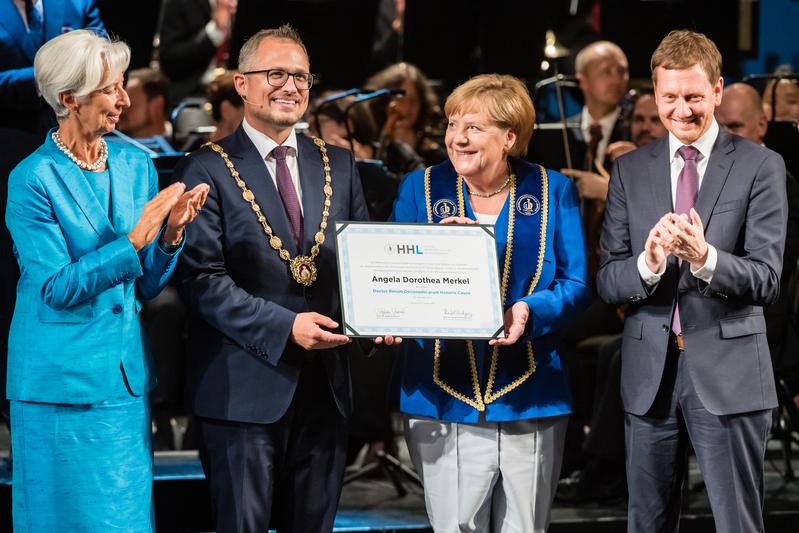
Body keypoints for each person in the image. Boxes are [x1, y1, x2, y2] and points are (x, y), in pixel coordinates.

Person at [4, 29, 208, 531]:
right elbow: (56, 288)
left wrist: (170, 238)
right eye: (109, 89)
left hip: (122, 385)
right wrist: (137, 238)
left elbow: (143, 288)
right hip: (58, 387)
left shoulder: (137, 163)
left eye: (122, 85)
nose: (124, 100)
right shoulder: (32, 179)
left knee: (124, 521)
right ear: (68, 98)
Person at [175, 24, 370, 533]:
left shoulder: (340, 165)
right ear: (241, 84)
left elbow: (363, 262)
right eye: (276, 73)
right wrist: (286, 327)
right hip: (242, 388)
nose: (290, 86)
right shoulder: (205, 167)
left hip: (326, 388)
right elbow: (201, 280)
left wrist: (381, 312)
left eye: (301, 76)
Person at [597, 30, 787, 532]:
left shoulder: (761, 166)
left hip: (729, 374)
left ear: (719, 90)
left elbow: (767, 279)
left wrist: (705, 258)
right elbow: (609, 281)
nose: (681, 109)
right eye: (669, 97)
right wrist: (650, 263)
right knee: (647, 524)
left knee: (737, 524)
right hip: (648, 377)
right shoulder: (629, 171)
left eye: (694, 96)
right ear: (654, 94)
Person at [391, 74, 590, 532]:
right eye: (453, 123)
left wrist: (527, 310)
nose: (457, 137)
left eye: (474, 127)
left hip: (532, 394)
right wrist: (432, 254)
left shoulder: (551, 189)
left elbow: (576, 285)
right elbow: (393, 281)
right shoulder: (418, 189)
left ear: (510, 137)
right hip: (443, 395)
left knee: (526, 527)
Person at [365, 62, 446, 169]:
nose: (406, 108)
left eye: (413, 101)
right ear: (384, 102)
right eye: (400, 98)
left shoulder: (435, 157)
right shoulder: (367, 148)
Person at [159, 0, 238, 104]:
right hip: (191, 96)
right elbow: (169, 60)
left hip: (234, 95)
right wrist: (215, 31)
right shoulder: (177, 3)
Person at [117, 68, 176, 152]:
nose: (120, 110)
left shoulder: (186, 146)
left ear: (156, 106)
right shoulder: (112, 148)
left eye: (131, 102)